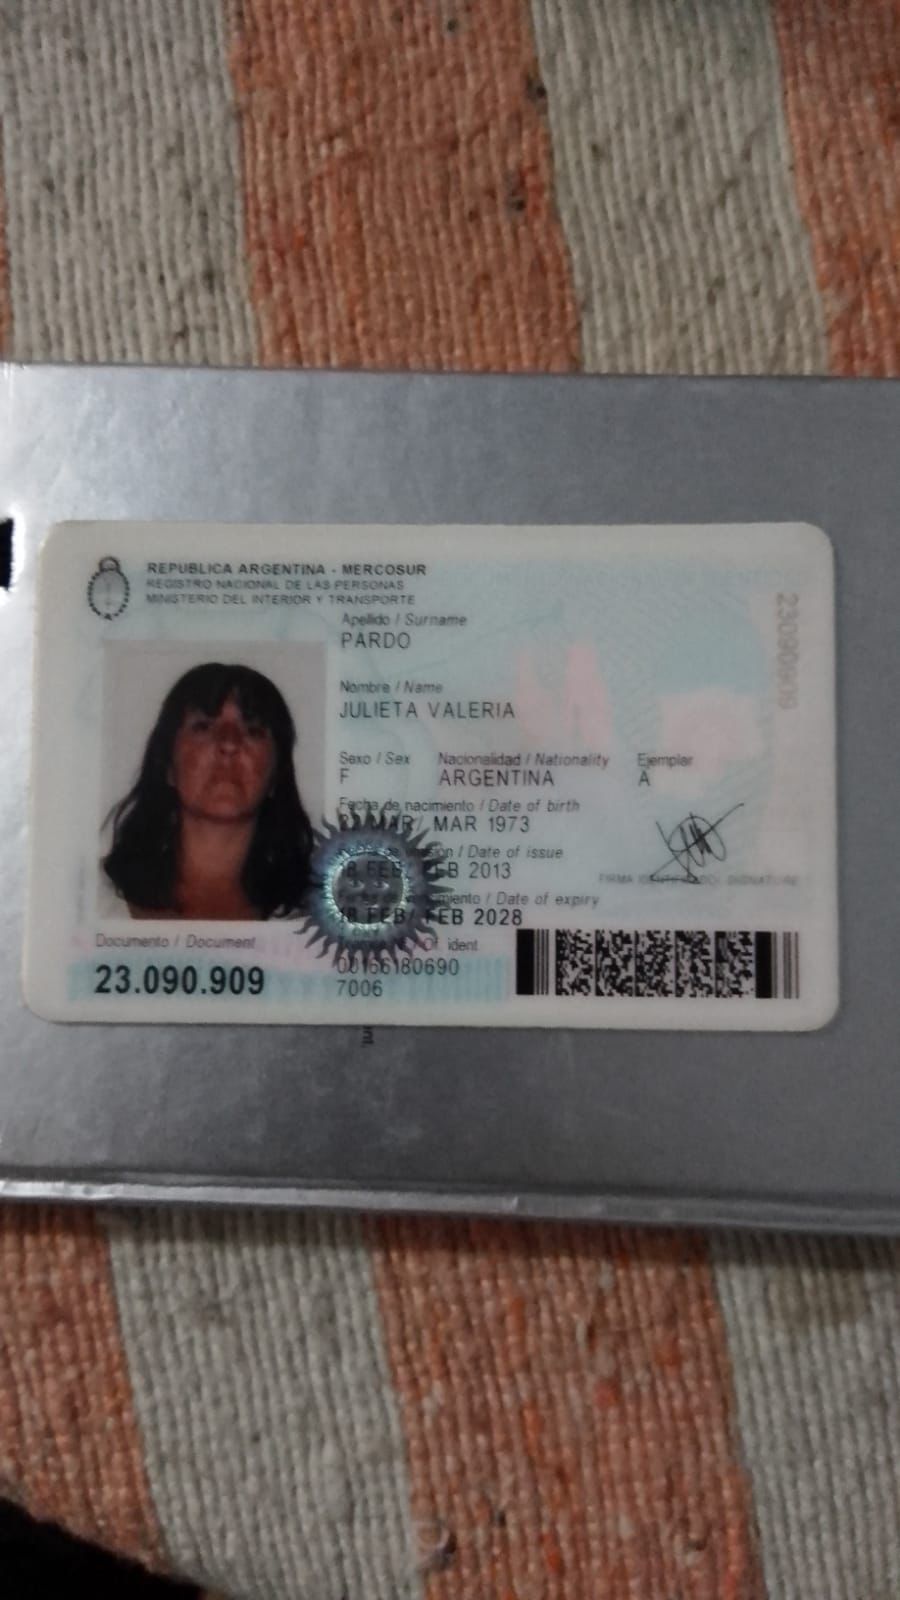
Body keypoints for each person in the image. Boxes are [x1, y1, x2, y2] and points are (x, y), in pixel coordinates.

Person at [102, 662, 314, 919]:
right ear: (168, 766)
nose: (229, 744)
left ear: (276, 776)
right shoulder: (98, 898)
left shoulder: (313, 917)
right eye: (203, 726)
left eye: (253, 730)